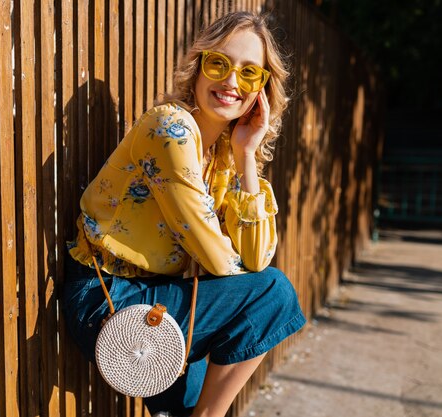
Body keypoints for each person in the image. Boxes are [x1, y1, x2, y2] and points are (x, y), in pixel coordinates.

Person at [62, 11, 306, 417]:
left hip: (162, 299)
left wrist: (247, 157)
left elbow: (257, 254)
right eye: (219, 64)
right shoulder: (170, 129)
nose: (231, 82)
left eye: (249, 74)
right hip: (107, 300)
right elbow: (218, 258)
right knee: (273, 293)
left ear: (262, 89)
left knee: (183, 407)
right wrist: (237, 266)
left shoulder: (225, 154)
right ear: (198, 68)